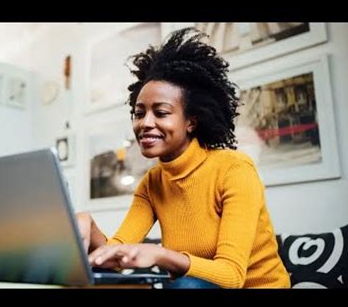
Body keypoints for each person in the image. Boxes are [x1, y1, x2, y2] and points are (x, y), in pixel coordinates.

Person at [77, 27, 291, 289]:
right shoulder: (153, 182)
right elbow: (116, 256)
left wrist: (160, 254)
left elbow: (232, 275)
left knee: (185, 286)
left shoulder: (234, 169)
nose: (145, 123)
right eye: (139, 113)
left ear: (191, 121)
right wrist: (88, 228)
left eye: (161, 112)